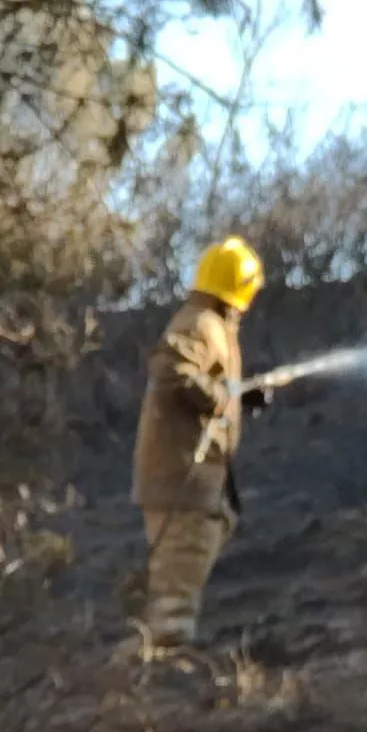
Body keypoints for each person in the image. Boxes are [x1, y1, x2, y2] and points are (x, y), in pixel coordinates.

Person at [129, 235, 273, 648]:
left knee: (191, 559)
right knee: (177, 589)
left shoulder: (208, 325)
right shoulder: (200, 324)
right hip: (181, 482)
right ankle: (164, 669)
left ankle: (150, 654)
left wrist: (237, 397)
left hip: (194, 483)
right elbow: (172, 371)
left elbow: (205, 385)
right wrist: (220, 398)